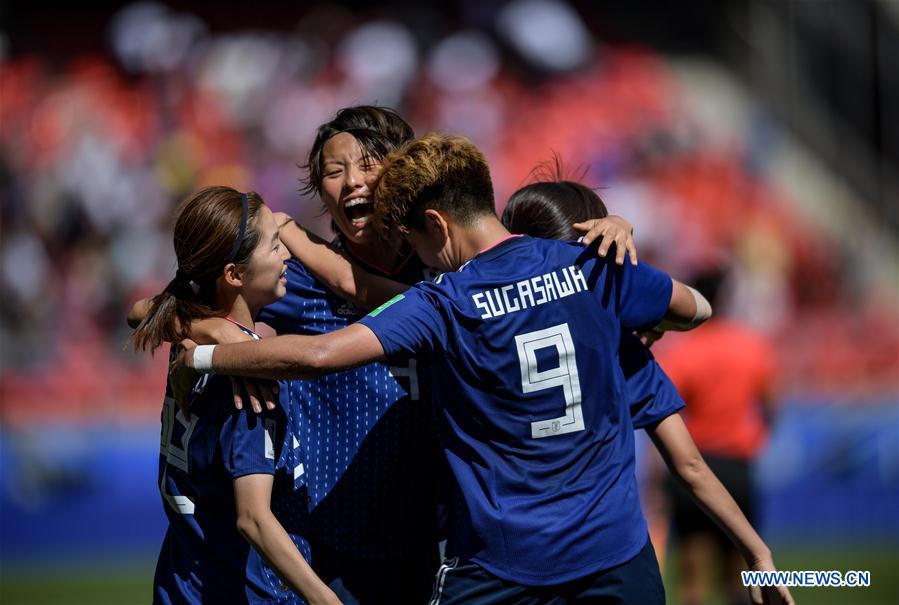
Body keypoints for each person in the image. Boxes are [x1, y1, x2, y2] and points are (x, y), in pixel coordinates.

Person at [177, 134, 792, 604]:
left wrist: (205, 353)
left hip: (503, 570)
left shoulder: (443, 302)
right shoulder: (595, 271)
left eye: (413, 242)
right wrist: (629, 281)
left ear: (438, 224)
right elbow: (697, 308)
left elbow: (318, 354)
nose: (413, 260)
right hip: (616, 561)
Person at [142, 105, 639, 605]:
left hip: (432, 539)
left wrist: (611, 227)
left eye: (368, 165)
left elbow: (539, 258)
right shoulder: (297, 278)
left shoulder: (454, 272)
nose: (352, 182)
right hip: (324, 544)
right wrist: (216, 331)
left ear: (401, 175)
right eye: (334, 173)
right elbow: (151, 310)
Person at [130, 186, 339, 605]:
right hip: (240, 590)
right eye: (274, 246)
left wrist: (218, 330)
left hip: (182, 582)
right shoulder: (245, 380)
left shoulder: (190, 339)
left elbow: (142, 311)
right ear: (234, 275)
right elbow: (254, 518)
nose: (287, 257)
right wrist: (325, 600)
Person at [655, 268, 779, 605]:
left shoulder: (684, 351)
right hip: (738, 466)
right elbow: (770, 406)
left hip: (695, 466)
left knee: (692, 578)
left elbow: (664, 412)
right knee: (742, 572)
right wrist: (756, 438)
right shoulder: (752, 346)